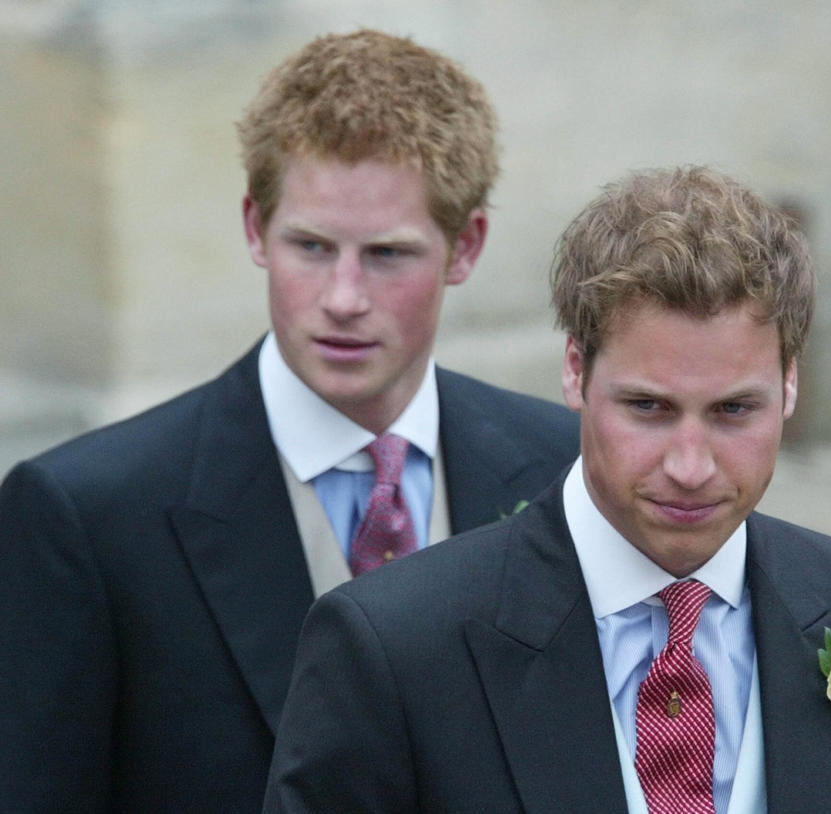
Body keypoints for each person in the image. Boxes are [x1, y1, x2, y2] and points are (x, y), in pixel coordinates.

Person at [0, 30, 579, 813]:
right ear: (253, 228)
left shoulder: (564, 467)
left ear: (465, 246)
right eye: (310, 246)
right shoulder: (85, 515)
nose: (342, 296)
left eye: (386, 254)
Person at [263, 166, 831, 813]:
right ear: (575, 370)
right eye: (649, 408)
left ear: (790, 385)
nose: (691, 465)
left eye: (733, 411)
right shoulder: (393, 646)